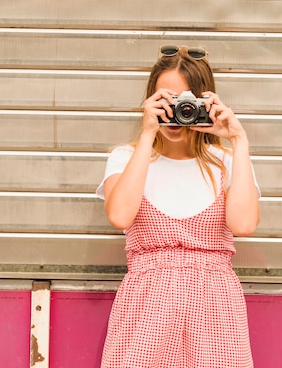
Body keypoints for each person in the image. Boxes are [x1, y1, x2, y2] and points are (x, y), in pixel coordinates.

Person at [96, 44, 260, 368]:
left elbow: (244, 225)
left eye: (185, 100)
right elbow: (119, 216)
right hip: (146, 311)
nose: (176, 110)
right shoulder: (126, 158)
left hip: (215, 311)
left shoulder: (226, 163)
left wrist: (239, 141)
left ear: (203, 102)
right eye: (165, 100)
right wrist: (146, 135)